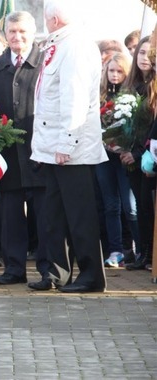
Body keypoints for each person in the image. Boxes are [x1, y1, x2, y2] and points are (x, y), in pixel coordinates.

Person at [31, 0, 107, 293]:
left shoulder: (74, 45)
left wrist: (67, 142)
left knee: (79, 214)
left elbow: (73, 98)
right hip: (53, 147)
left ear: (56, 18)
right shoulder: (59, 44)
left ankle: (90, 275)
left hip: (69, 149)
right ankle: (57, 272)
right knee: (54, 213)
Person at [0, 11, 50, 289]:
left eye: (22, 32)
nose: (17, 37)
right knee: (9, 214)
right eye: (12, 32)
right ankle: (14, 268)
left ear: (33, 33)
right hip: (7, 154)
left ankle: (49, 268)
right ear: (5, 35)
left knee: (45, 215)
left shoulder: (46, 63)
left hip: (41, 150)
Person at [96, 52, 140, 268]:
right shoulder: (100, 96)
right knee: (110, 205)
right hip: (104, 156)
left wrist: (127, 145)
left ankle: (139, 249)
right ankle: (115, 251)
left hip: (125, 157)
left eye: (119, 71)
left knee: (130, 206)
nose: (114, 75)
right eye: (111, 71)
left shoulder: (132, 95)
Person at [121, 36, 155, 271]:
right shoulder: (130, 85)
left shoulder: (154, 86)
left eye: (148, 53)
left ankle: (151, 254)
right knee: (140, 207)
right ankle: (142, 253)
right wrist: (121, 146)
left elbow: (151, 126)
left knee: (145, 203)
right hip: (129, 155)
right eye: (140, 53)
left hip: (147, 155)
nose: (144, 58)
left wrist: (137, 151)